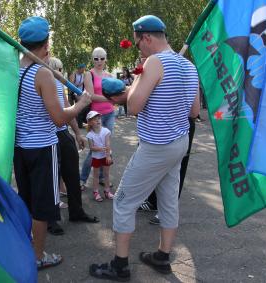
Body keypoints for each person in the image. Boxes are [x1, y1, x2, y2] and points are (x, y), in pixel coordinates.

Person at [89, 15, 200, 280]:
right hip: (179, 142)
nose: (139, 48)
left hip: (157, 146)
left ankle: (120, 265)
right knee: (168, 201)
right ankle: (162, 256)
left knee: (124, 202)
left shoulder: (154, 62)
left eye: (138, 43)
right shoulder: (189, 66)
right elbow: (194, 111)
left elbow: (135, 107)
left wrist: (134, 88)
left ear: (146, 37)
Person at [13, 17, 91, 270]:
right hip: (42, 148)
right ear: (46, 45)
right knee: (43, 205)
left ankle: (26, 247)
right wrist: (80, 105)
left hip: (20, 148)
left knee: (27, 199)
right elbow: (58, 117)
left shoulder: (14, 70)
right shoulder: (42, 73)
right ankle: (37, 257)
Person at [46, 57, 99, 236]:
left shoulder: (59, 86)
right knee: (51, 179)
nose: (62, 73)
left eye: (62, 69)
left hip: (63, 134)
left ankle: (76, 212)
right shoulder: (44, 83)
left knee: (72, 174)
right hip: (48, 136)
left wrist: (77, 133)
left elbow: (68, 108)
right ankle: (51, 220)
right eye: (59, 69)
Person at [80, 47, 115, 190]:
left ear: (106, 59)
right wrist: (109, 98)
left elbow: (117, 94)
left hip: (110, 114)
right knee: (93, 150)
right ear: (92, 59)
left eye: (102, 58)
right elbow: (91, 95)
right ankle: (82, 179)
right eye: (96, 58)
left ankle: (101, 177)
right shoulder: (89, 74)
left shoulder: (110, 75)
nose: (99, 61)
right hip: (95, 116)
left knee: (106, 148)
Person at [85, 110, 114, 202]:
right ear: (89, 122)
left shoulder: (106, 131)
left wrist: (108, 155)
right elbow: (91, 148)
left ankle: (107, 191)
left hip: (106, 156)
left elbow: (108, 144)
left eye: (99, 118)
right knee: (96, 175)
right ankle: (96, 192)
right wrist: (100, 149)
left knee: (106, 174)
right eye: (94, 119)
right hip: (96, 157)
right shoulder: (90, 135)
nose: (98, 120)